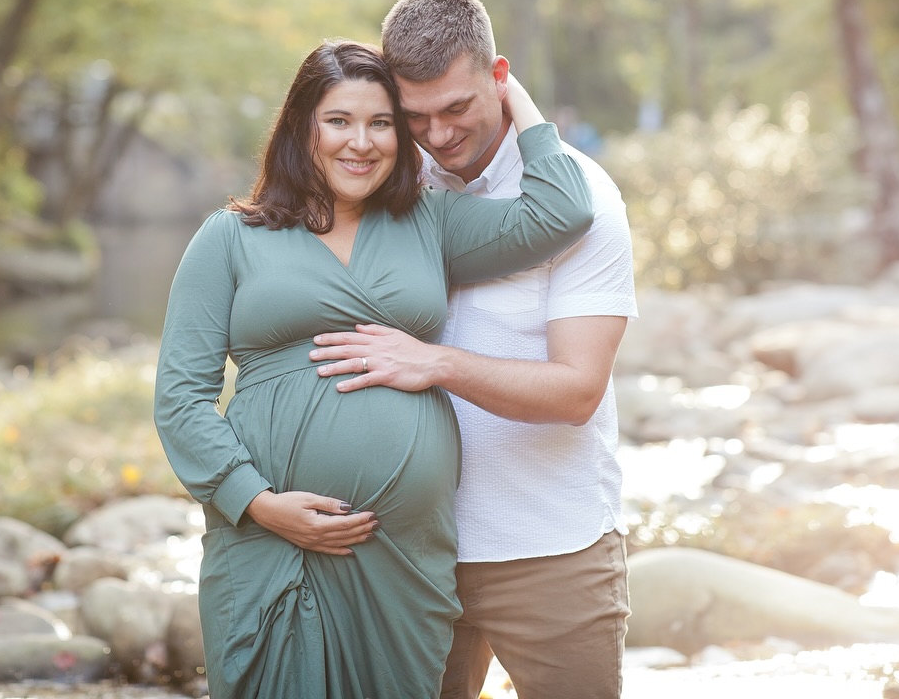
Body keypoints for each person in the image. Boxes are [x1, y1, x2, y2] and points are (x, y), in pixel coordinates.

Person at [153, 38, 593, 699]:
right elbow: (181, 399)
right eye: (339, 121)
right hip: (273, 545)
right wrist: (260, 503)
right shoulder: (231, 237)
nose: (362, 143)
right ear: (303, 128)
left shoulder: (430, 223)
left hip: (402, 557)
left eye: (381, 123)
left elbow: (563, 209)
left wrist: (510, 91)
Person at [310, 0, 638, 699]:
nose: (437, 133)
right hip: (405, 544)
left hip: (548, 545)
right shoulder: (383, 186)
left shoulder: (582, 198)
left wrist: (435, 363)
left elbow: (578, 391)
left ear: (499, 77)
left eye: (457, 107)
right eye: (416, 114)